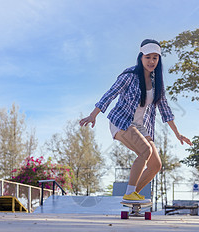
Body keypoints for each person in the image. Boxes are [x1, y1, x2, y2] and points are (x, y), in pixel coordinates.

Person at [80, 39, 192, 202]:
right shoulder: (130, 75)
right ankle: (130, 192)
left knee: (155, 165)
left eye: (155, 57)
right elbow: (110, 94)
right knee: (145, 150)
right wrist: (93, 114)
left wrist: (178, 134)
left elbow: (165, 110)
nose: (151, 61)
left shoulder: (156, 83)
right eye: (148, 57)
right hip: (121, 121)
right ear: (141, 57)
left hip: (141, 127)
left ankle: (132, 195)